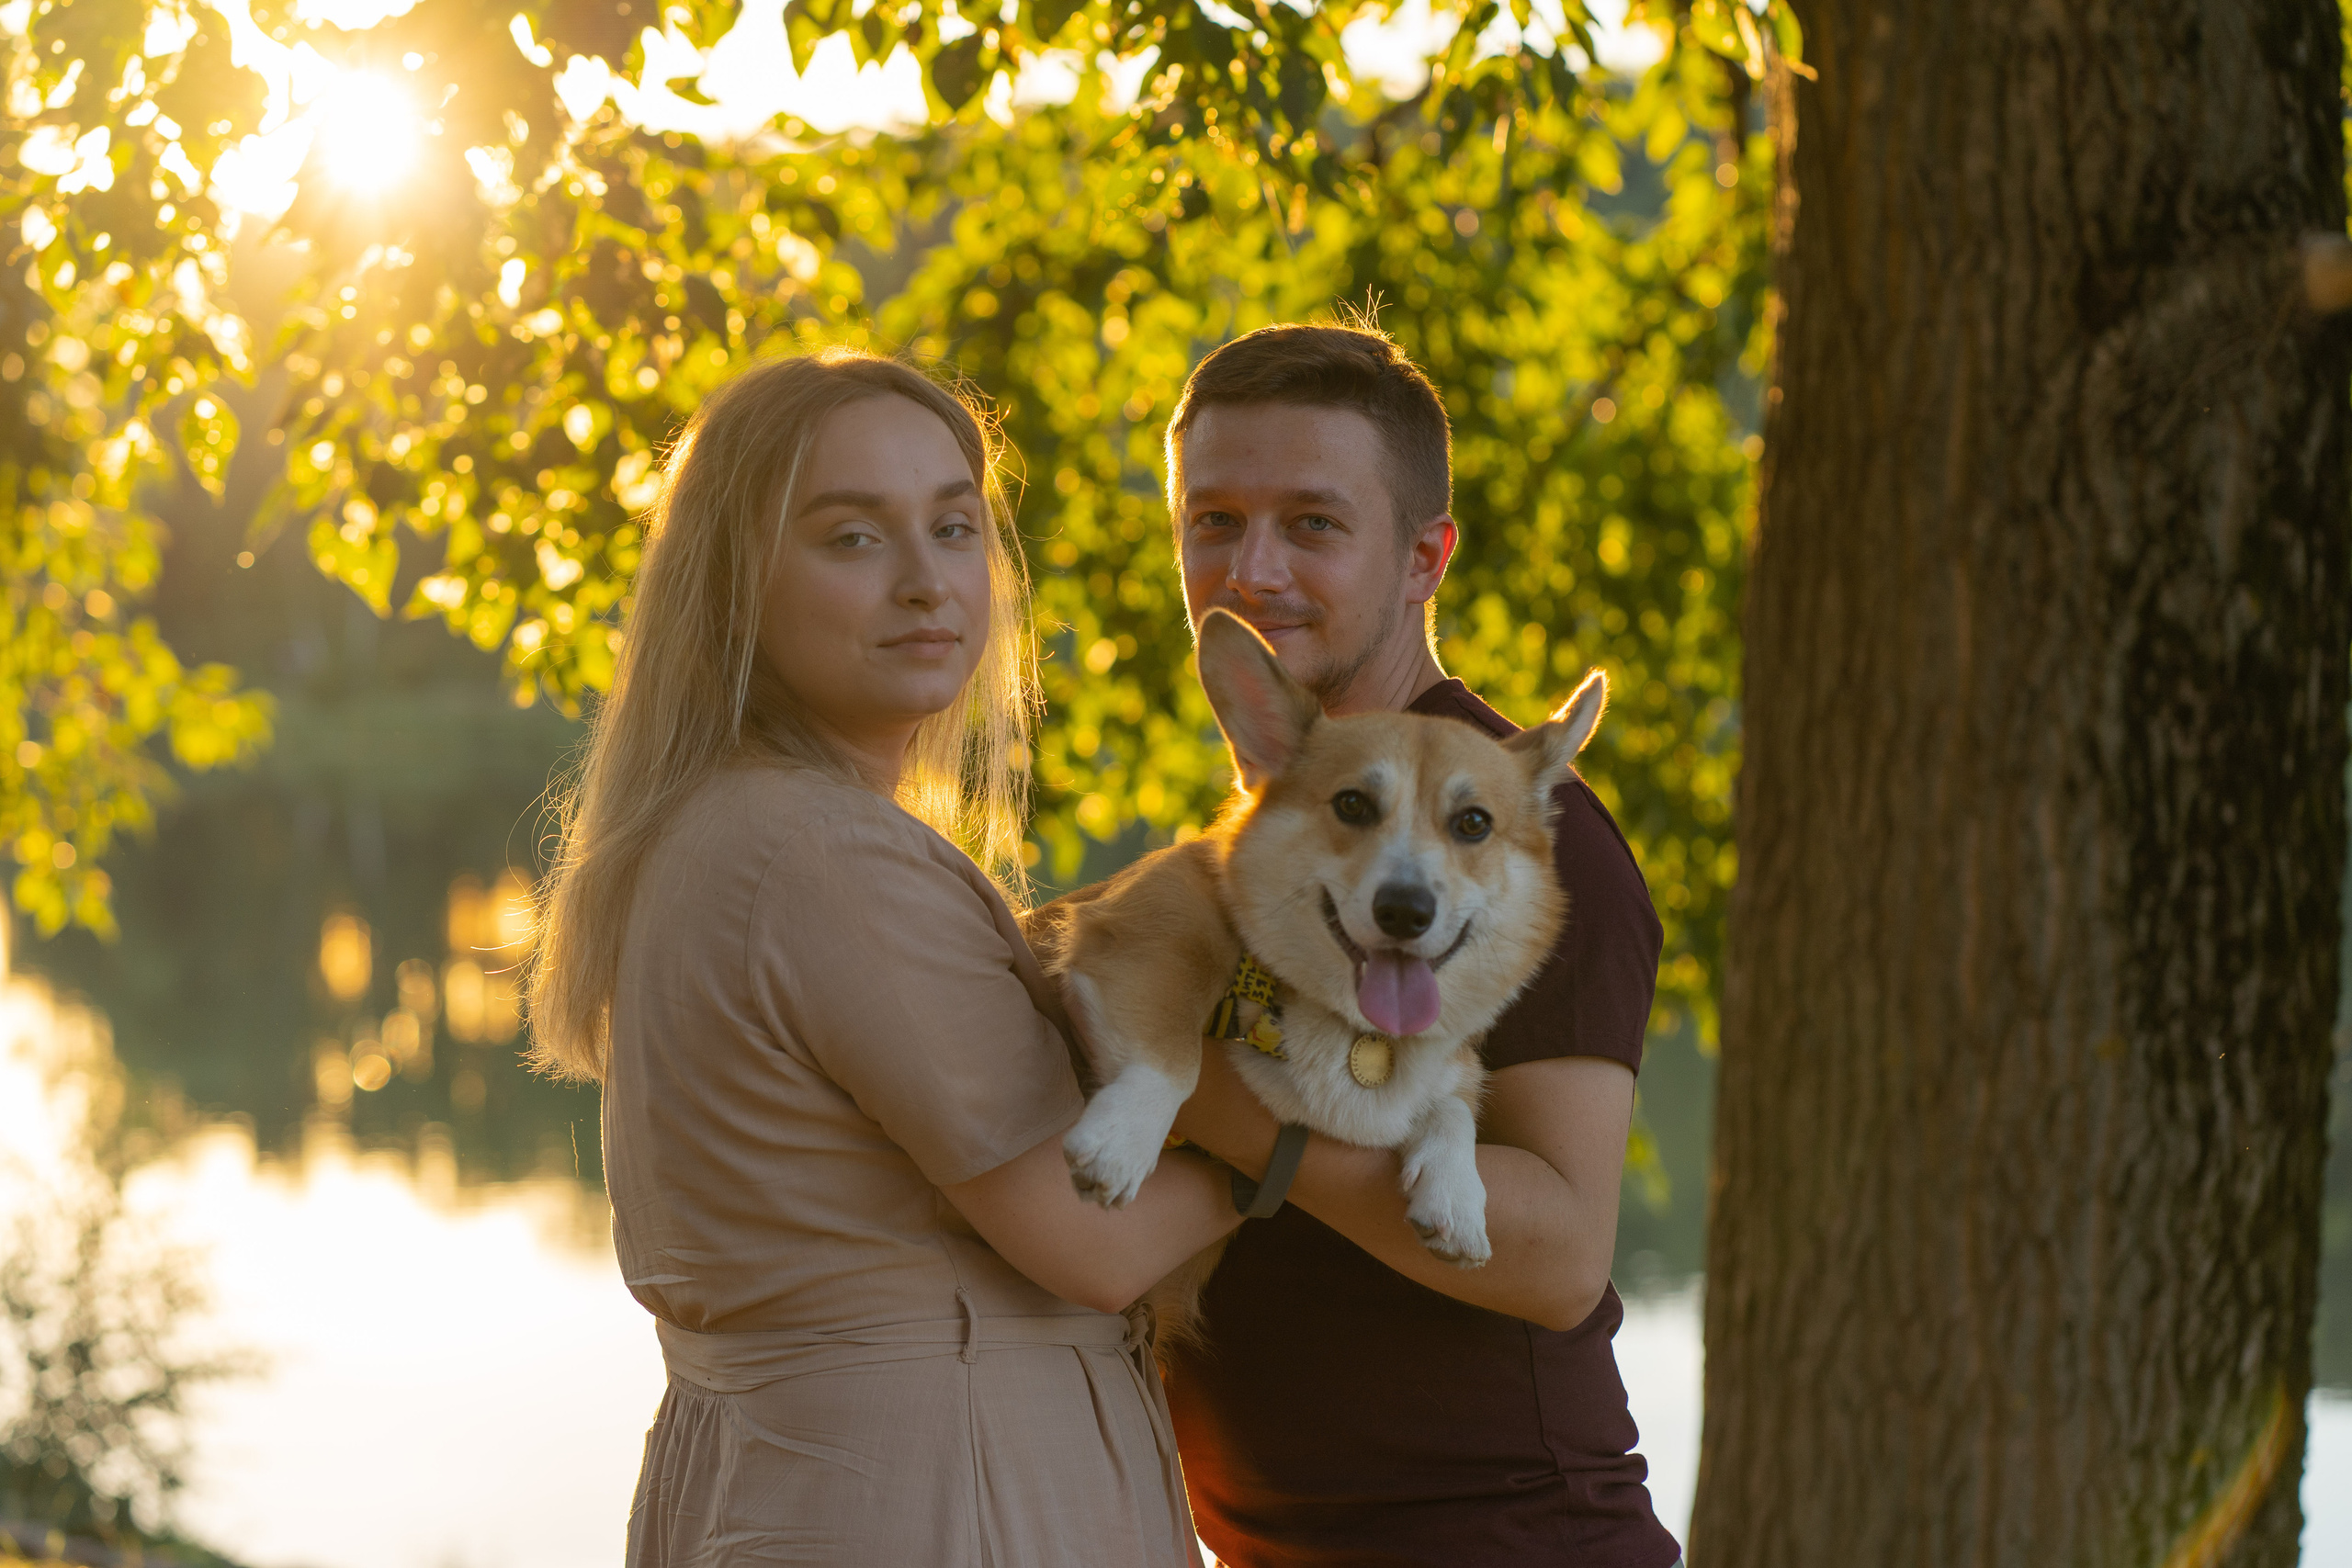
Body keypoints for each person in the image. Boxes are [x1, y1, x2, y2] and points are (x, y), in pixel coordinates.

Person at [526, 350, 1239, 1567]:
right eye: (852, 539)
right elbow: (1091, 1238)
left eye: (953, 528)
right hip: (936, 1504)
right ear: (736, 583)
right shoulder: (821, 857)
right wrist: (1291, 1131)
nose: (924, 582)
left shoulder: (718, 826)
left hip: (809, 1483)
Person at [1161, 322, 1683, 1568]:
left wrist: (1243, 1117)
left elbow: (1558, 1255)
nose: (1253, 568)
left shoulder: (1513, 842)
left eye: (1314, 525)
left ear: (1424, 559)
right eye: (1214, 521)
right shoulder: (1282, 836)